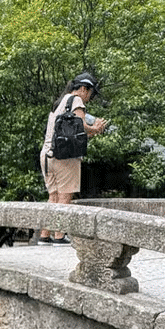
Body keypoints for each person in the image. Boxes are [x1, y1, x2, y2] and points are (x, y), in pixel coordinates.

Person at [38, 73, 108, 246]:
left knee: (53, 196)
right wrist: (96, 128)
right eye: (90, 93)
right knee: (65, 196)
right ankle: (59, 236)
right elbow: (80, 125)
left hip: (47, 154)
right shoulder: (76, 101)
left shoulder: (59, 102)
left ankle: (44, 236)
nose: (90, 97)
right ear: (83, 89)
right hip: (64, 156)